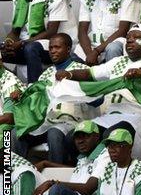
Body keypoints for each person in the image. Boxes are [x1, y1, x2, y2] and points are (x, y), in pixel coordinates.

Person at [56, 24, 141, 160]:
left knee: (111, 135)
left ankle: (100, 173)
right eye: (128, 37)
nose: (130, 40)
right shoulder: (118, 62)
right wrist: (69, 74)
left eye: (137, 38)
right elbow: (90, 73)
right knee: (73, 137)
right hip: (110, 116)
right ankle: (82, 171)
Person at [13, 33, 92, 164]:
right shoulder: (46, 74)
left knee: (54, 133)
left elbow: (96, 98)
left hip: (70, 122)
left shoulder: (82, 70)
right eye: (50, 48)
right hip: (45, 122)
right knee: (15, 133)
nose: (53, 51)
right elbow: (34, 99)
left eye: (57, 47)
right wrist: (21, 96)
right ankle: (10, 175)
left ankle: (56, 178)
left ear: (68, 49)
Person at [1, 0, 73, 83]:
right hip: (26, 43)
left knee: (31, 48)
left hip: (54, 45)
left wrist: (22, 43)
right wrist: (8, 43)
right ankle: (8, 85)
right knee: (4, 47)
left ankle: (34, 90)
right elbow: (15, 31)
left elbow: (51, 32)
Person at [32, 120, 109, 195]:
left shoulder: (105, 155)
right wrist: (46, 163)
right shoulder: (84, 157)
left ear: (97, 137)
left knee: (57, 190)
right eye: (77, 137)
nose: (80, 141)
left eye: (85, 136)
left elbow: (88, 189)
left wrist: (52, 183)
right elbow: (73, 170)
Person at [92, 129, 141, 195]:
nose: (112, 150)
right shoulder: (106, 170)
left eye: (117, 146)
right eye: (110, 146)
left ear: (130, 147)